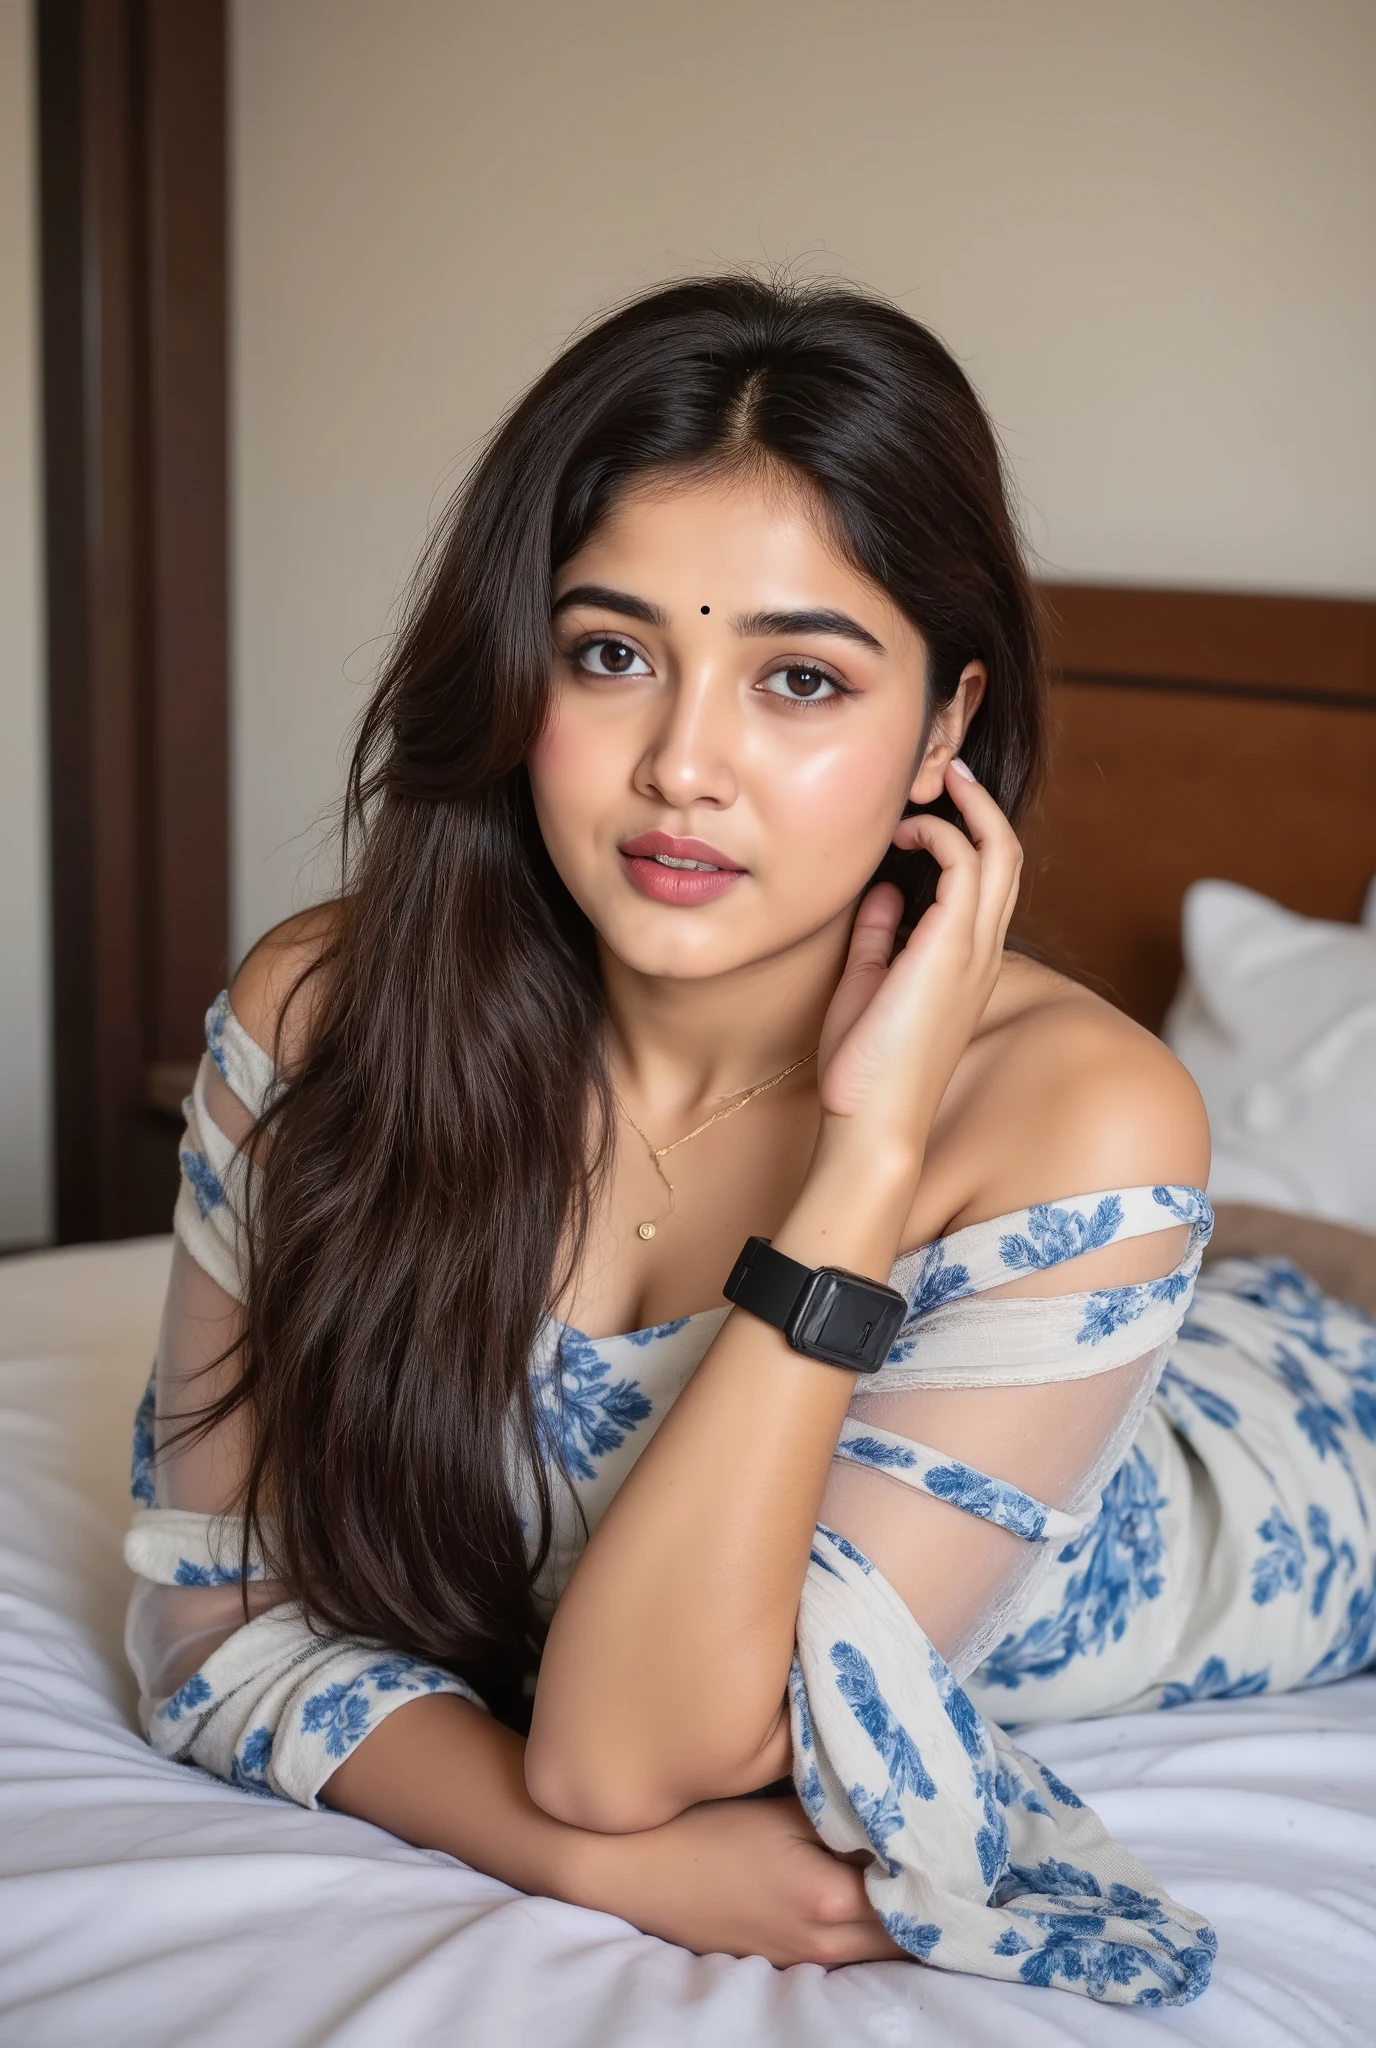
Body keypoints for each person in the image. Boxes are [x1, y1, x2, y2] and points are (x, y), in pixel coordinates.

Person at [124, 277, 1376, 2004]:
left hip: (1267, 1480)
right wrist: (569, 1861)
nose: (683, 768)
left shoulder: (1080, 1109)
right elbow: (215, 1630)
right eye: (613, 653)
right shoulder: (326, 1009)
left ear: (944, 726)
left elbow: (624, 1756)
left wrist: (861, 1169)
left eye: (800, 678)